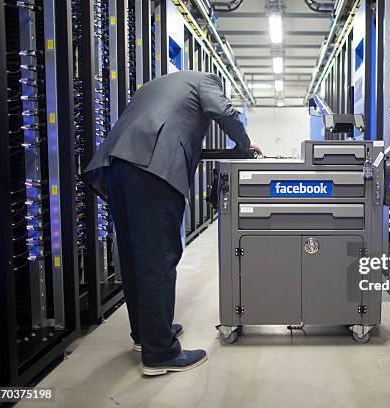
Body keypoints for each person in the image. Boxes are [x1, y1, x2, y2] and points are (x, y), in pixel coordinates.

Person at [82, 70, 261, 376]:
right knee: (158, 258)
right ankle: (160, 353)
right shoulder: (205, 80)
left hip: (115, 166)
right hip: (152, 167)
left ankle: (147, 334)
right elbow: (224, 111)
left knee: (134, 256)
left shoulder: (155, 85)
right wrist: (245, 145)